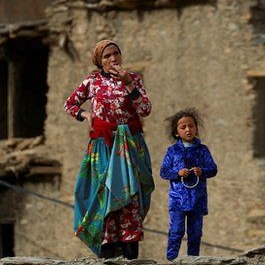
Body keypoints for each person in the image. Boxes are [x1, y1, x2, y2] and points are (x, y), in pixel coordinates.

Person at [65, 39, 154, 259]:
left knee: (130, 198)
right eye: (107, 56)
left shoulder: (133, 79)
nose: (113, 58)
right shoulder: (91, 82)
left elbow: (145, 109)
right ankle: (107, 252)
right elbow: (70, 104)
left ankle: (130, 252)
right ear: (99, 61)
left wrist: (129, 85)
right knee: (103, 195)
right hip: (103, 147)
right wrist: (85, 115)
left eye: (116, 53)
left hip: (129, 148)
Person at [159, 109, 218, 260]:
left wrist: (201, 171)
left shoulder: (202, 150)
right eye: (183, 127)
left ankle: (193, 260)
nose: (188, 130)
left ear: (196, 128)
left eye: (191, 126)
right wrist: (177, 173)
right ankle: (171, 259)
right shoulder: (173, 151)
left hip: (197, 199)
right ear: (177, 132)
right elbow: (164, 172)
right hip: (177, 200)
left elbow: (213, 169)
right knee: (176, 230)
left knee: (196, 232)